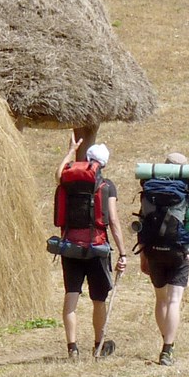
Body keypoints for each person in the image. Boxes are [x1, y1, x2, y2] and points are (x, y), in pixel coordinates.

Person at [57, 139, 128, 360]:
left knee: (71, 297)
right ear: (103, 164)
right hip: (96, 248)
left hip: (70, 247)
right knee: (99, 299)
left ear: (86, 159)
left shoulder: (67, 182)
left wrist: (70, 151)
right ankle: (98, 346)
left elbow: (58, 173)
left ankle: (72, 348)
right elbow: (113, 221)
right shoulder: (107, 186)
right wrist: (123, 252)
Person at [144, 153, 189, 366]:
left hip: (153, 251)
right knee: (174, 300)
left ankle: (165, 339)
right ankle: (167, 349)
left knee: (160, 299)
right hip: (179, 252)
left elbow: (143, 227)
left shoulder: (150, 191)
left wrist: (144, 255)